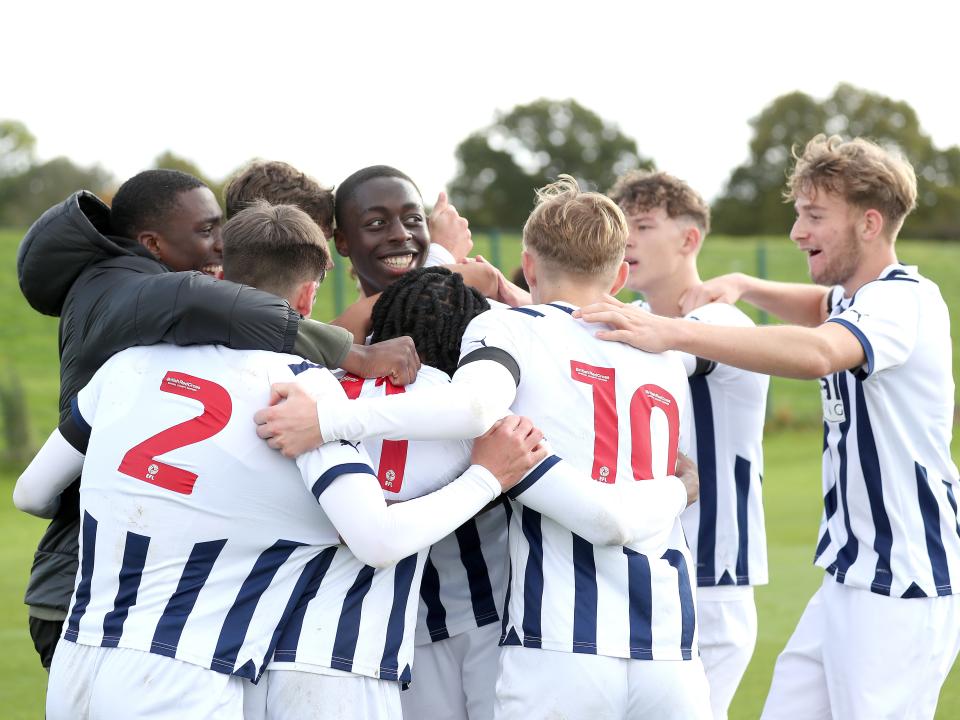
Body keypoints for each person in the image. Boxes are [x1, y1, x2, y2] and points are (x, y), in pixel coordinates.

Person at [14, 201, 546, 719]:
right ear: (309, 295)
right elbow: (378, 539)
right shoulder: (300, 392)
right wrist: (488, 477)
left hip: (76, 661)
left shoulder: (126, 364)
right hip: (187, 676)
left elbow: (30, 493)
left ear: (221, 274)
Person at [255, 176, 711, 720]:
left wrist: (328, 420)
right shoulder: (664, 354)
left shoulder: (511, 328)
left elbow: (472, 407)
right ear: (619, 275)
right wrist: (679, 489)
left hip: (560, 638)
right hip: (670, 638)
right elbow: (663, 480)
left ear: (529, 266)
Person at [577, 135, 960, 720]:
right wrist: (746, 284)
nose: (798, 232)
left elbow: (819, 353)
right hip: (849, 576)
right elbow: (819, 306)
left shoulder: (902, 300)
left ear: (869, 223)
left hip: (902, 581)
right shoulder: (855, 300)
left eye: (815, 216)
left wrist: (673, 331)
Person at [15, 170, 419, 673]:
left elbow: (32, 493)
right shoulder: (126, 286)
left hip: (106, 586)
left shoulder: (126, 292)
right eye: (206, 230)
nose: (221, 245)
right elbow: (200, 300)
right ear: (153, 243)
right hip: (90, 582)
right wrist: (353, 353)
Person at [607, 170, 769, 719]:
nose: (626, 239)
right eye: (621, 225)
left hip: (711, 580)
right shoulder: (640, 319)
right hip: (650, 572)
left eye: (643, 225)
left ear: (689, 239)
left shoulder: (721, 321)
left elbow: (642, 354)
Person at [330, 165, 530, 341]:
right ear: (342, 241)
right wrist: (441, 260)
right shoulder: (332, 347)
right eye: (377, 222)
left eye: (413, 219)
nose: (401, 234)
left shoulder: (487, 315)